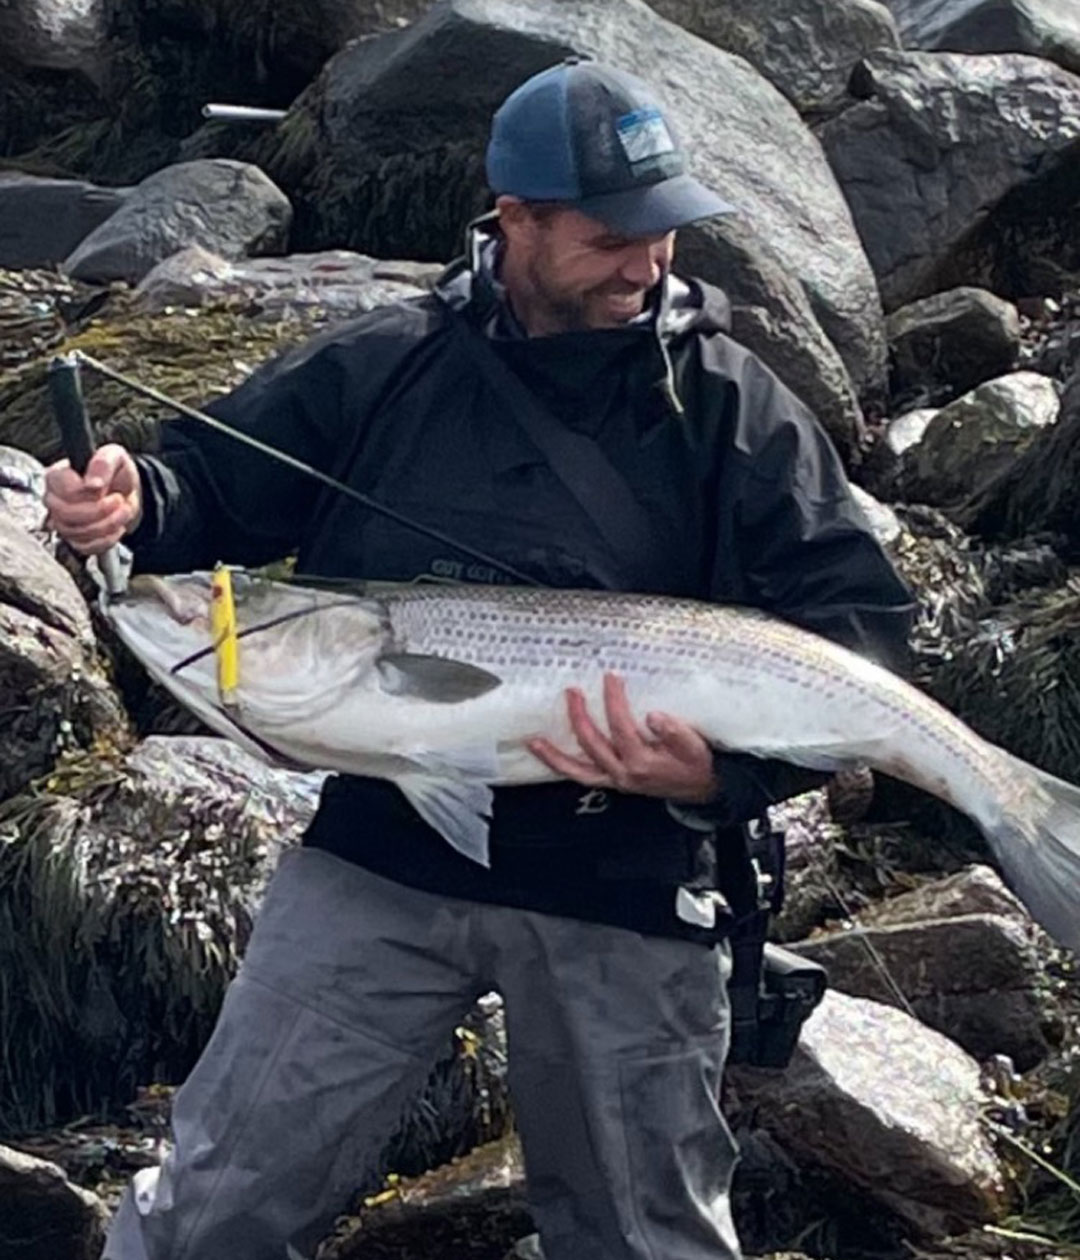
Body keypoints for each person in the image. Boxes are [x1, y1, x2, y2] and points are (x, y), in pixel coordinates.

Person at [45, 57, 914, 1260]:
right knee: (213, 1215)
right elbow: (202, 498)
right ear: (517, 219)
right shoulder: (380, 361)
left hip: (627, 878)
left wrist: (720, 781)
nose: (648, 263)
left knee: (642, 1241)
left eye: (665, 232)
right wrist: (125, 500)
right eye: (614, 236)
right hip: (380, 858)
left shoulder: (737, 410)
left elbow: (861, 633)